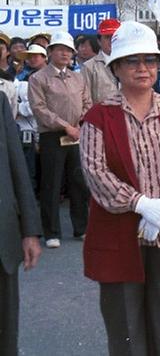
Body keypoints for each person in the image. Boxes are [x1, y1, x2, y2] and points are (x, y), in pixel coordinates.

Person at [80, 21, 160, 356]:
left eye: (150, 60)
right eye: (132, 61)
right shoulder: (98, 117)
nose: (142, 68)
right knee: (126, 332)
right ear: (116, 67)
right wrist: (140, 204)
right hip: (121, 236)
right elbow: (95, 172)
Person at [28, 31, 92, 249]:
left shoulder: (78, 76)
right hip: (52, 136)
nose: (65, 54)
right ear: (51, 52)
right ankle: (51, 232)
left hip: (77, 134)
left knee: (79, 183)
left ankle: (81, 228)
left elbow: (87, 102)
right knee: (51, 185)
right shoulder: (38, 78)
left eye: (69, 50)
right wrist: (66, 126)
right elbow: (39, 109)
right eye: (60, 49)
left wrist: (80, 125)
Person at [0, 92, 42, 355]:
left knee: (5, 334)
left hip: (1, 237)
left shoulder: (0, 101)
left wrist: (29, 230)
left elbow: (17, 164)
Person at [15, 44, 48, 196]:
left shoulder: (53, 75)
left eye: (36, 56)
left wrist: (17, 108)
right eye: (30, 56)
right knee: (31, 163)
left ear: (44, 57)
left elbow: (33, 106)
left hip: (49, 125)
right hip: (28, 129)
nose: (32, 59)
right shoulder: (24, 77)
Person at [82, 18, 122, 104]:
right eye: (108, 37)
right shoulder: (89, 67)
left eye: (115, 36)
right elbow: (85, 101)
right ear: (99, 41)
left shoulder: (129, 64)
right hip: (101, 116)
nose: (112, 41)